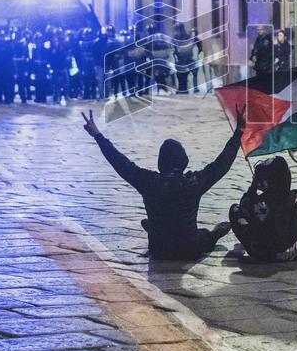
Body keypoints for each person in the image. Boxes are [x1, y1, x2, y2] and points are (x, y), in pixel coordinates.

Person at [81, 105, 247, 260]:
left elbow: (119, 162)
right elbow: (222, 164)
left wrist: (97, 135)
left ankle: (155, 227)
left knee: (159, 226)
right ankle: (214, 234)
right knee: (203, 235)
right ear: (184, 160)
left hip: (159, 249)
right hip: (189, 248)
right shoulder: (193, 182)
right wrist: (239, 131)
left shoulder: (148, 181)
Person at [229, 156, 297, 262]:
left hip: (266, 255)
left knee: (235, 210)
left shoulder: (260, 204)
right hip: (294, 252)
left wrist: (253, 187)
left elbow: (244, 205)